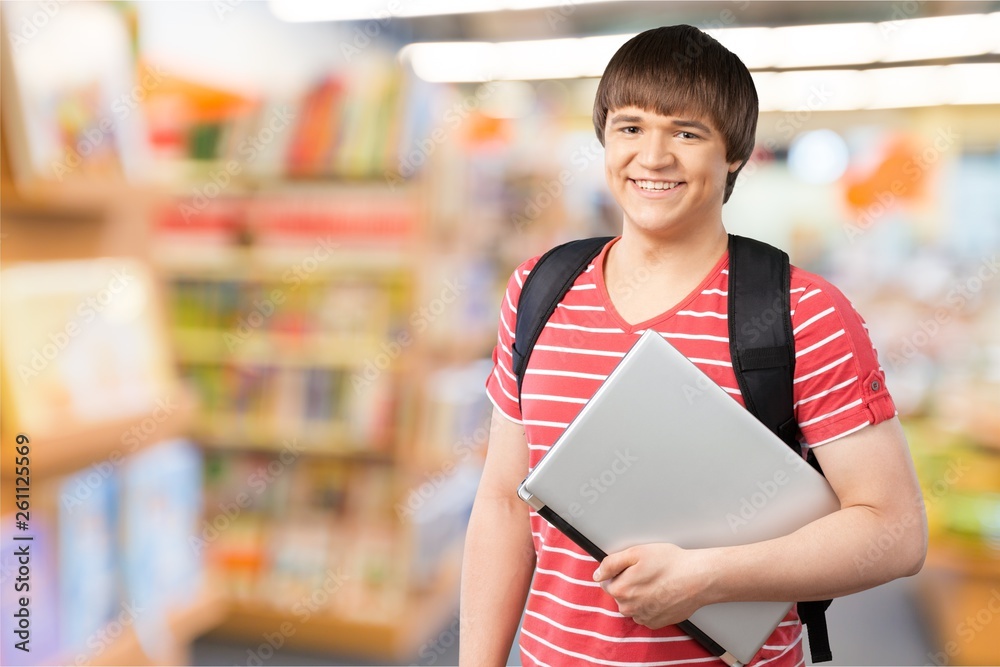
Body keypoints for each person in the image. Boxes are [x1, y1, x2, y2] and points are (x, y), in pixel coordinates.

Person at [459, 24, 927, 667]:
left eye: (686, 132)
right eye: (630, 127)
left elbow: (895, 532)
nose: (652, 157)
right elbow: (502, 503)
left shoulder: (801, 312)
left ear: (734, 152)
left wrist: (708, 578)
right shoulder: (539, 289)